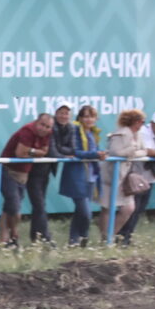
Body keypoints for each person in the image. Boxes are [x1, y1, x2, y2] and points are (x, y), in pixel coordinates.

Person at [52, 103, 104, 246]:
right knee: (86, 213)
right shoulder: (75, 130)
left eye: (91, 116)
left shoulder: (93, 133)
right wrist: (95, 154)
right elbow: (74, 151)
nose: (89, 120)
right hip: (76, 176)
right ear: (80, 118)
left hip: (90, 176)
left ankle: (74, 241)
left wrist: (99, 154)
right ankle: (83, 239)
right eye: (85, 116)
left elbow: (95, 152)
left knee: (80, 212)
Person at [0, 112, 54, 247]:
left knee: (10, 208)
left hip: (23, 174)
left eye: (47, 127)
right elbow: (20, 153)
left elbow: (45, 151)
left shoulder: (48, 133)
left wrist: (31, 151)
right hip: (8, 171)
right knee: (14, 207)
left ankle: (8, 241)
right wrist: (35, 151)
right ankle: (11, 236)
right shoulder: (27, 131)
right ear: (36, 122)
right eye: (42, 124)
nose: (44, 129)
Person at [106, 109, 150, 244]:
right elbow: (115, 152)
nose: (142, 124)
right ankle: (106, 238)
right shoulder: (120, 134)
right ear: (134, 121)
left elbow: (144, 151)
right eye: (141, 121)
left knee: (129, 208)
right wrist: (131, 151)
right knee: (108, 207)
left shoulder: (139, 135)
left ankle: (111, 236)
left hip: (127, 176)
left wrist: (133, 154)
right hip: (114, 175)